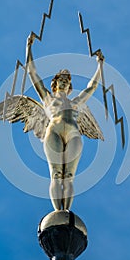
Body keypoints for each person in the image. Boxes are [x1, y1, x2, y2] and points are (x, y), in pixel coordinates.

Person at [26, 33, 104, 210]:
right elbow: (32, 73)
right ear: (54, 84)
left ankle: (66, 211)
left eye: (66, 81)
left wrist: (100, 65)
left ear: (70, 87)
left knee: (68, 175)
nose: (63, 82)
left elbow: (91, 87)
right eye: (60, 80)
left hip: (73, 132)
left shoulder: (76, 103)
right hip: (53, 130)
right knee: (56, 174)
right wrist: (28, 47)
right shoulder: (47, 98)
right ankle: (57, 212)